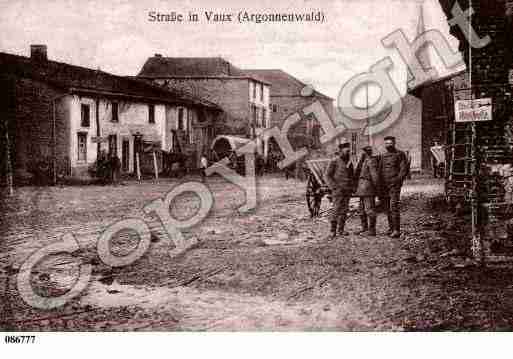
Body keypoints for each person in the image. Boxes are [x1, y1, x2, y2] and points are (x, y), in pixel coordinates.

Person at [378, 136, 408, 238]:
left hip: (394, 185)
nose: (388, 145)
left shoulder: (400, 154)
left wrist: (398, 181)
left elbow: (403, 169)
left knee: (393, 206)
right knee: (387, 208)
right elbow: (380, 170)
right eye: (386, 143)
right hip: (384, 186)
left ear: (394, 143)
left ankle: (396, 230)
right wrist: (379, 184)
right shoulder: (383, 156)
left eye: (390, 143)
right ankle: (391, 228)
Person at [324, 139, 354, 239]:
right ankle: (332, 231)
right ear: (341, 150)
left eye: (348, 150)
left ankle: (341, 230)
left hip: (347, 190)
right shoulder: (334, 161)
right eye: (346, 150)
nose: (348, 152)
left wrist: (352, 187)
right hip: (338, 190)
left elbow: (352, 176)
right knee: (336, 209)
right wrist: (334, 187)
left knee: (345, 210)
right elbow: (327, 176)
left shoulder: (349, 163)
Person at [354, 146, 379, 236]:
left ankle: (372, 230)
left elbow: (375, 176)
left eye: (363, 152)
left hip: (368, 188)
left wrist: (377, 189)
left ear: (366, 153)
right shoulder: (364, 161)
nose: (362, 154)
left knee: (369, 210)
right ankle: (364, 229)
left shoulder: (371, 161)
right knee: (361, 210)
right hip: (362, 189)